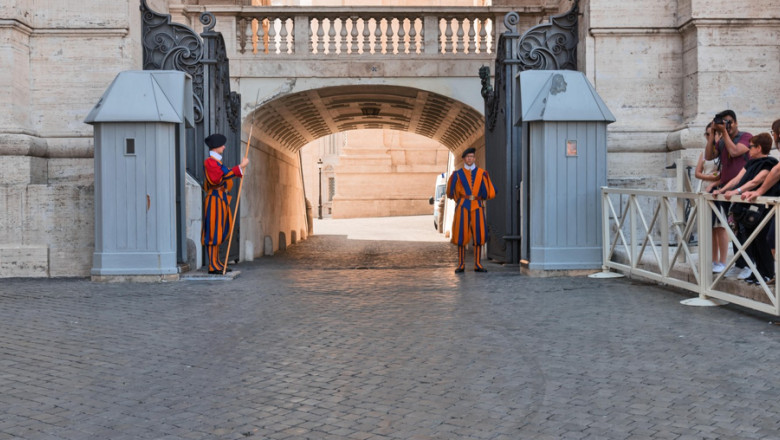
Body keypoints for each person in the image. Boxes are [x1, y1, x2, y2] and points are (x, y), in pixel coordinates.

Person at [714, 133, 776, 284]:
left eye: (752, 146)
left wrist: (737, 192)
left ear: (759, 148)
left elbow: (756, 181)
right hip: (746, 208)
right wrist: (722, 189)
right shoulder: (750, 163)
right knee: (750, 240)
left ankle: (767, 273)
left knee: (762, 241)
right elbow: (737, 179)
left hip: (762, 208)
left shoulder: (769, 162)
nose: (749, 149)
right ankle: (757, 273)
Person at [705, 109, 752, 278]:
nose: (727, 125)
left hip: (742, 188)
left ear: (736, 122)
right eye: (723, 122)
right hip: (725, 190)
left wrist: (723, 132)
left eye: (729, 121)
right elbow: (709, 156)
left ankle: (749, 264)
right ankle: (740, 264)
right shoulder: (722, 141)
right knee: (733, 229)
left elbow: (735, 152)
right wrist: (712, 134)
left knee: (745, 227)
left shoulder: (746, 137)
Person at [202, 133, 249, 274]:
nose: (224, 147)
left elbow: (226, 174)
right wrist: (240, 167)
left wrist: (238, 169)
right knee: (213, 232)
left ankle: (217, 262)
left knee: (220, 231)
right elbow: (219, 178)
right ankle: (212, 265)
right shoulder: (210, 162)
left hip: (221, 200)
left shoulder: (217, 162)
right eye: (222, 145)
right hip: (214, 200)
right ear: (216, 147)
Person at [446, 147, 496, 273]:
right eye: (468, 157)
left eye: (472, 157)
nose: (470, 159)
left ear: (474, 158)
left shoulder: (482, 173)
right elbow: (451, 193)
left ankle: (477, 264)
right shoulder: (457, 175)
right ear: (463, 159)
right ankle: (461, 264)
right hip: (463, 206)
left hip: (477, 206)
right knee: (461, 234)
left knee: (479, 234)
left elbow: (488, 192)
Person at [742, 119, 780, 261]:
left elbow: (777, 171)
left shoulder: (769, 163)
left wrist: (759, 191)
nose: (773, 136)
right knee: (772, 238)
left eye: (773, 132)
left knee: (772, 238)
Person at [696, 123, 725, 272]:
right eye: (707, 134)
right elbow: (697, 172)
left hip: (718, 189)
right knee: (710, 228)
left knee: (720, 226)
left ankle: (723, 261)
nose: (710, 137)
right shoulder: (705, 152)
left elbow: (724, 173)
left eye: (712, 133)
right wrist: (708, 177)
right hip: (705, 189)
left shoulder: (723, 151)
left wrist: (714, 180)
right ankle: (713, 260)